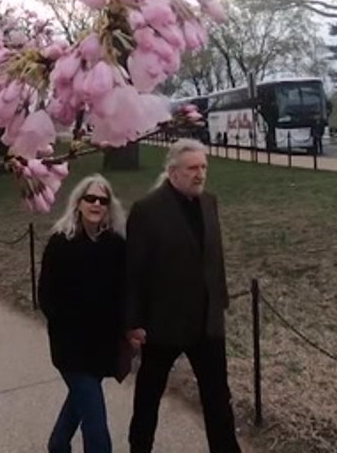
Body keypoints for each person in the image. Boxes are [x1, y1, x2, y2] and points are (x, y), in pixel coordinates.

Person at [125, 138, 241, 453]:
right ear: (174, 172)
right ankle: (140, 448)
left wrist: (220, 301)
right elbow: (134, 270)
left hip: (207, 324)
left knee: (218, 398)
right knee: (148, 396)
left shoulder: (209, 203)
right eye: (192, 168)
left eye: (203, 167)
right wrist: (133, 322)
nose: (200, 174)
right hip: (163, 324)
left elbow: (212, 258)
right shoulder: (147, 210)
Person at [37, 174, 129, 453]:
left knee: (81, 400)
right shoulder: (61, 242)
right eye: (90, 198)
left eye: (103, 200)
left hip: (102, 345)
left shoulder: (115, 244)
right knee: (95, 421)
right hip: (71, 346)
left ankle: (58, 444)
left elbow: (123, 290)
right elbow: (46, 293)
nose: (96, 204)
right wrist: (63, 322)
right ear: (78, 203)